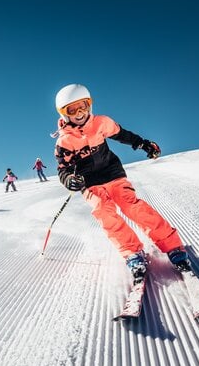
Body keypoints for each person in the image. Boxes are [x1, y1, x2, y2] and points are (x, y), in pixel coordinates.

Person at [53, 83, 190, 282]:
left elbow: (122, 135)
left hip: (113, 173)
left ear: (90, 105)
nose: (80, 112)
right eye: (73, 109)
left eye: (83, 105)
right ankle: (132, 252)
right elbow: (62, 169)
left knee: (131, 206)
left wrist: (143, 144)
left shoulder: (100, 123)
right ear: (64, 114)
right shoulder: (64, 142)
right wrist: (69, 180)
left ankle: (172, 246)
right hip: (90, 183)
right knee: (103, 211)